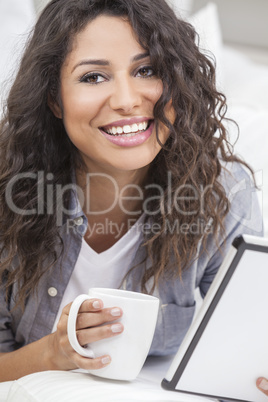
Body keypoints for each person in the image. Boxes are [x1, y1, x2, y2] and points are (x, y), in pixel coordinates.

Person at [0, 0, 266, 395]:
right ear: (54, 100)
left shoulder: (223, 192)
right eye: (93, 77)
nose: (127, 100)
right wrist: (56, 351)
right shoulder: (10, 194)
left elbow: (248, 340)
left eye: (147, 70)